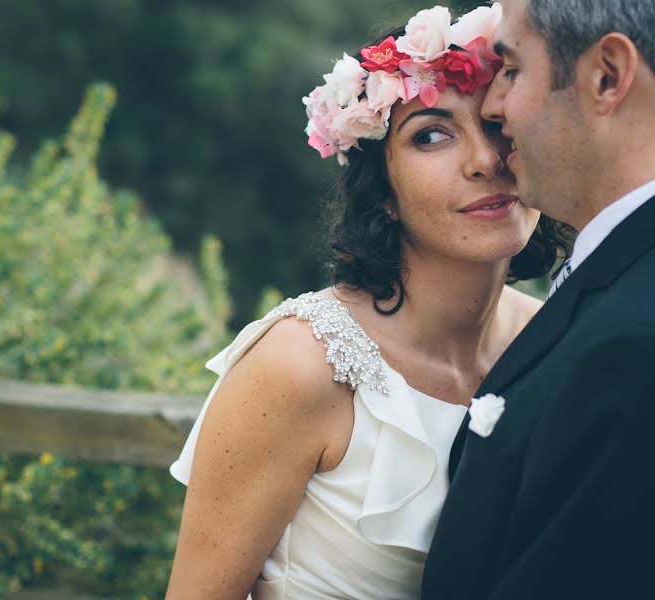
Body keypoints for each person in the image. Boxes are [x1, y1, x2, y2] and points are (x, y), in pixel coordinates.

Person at [165, 4, 571, 599]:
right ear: (384, 194)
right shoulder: (300, 367)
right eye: (431, 135)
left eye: (497, 125)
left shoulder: (555, 340)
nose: (485, 160)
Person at [421, 1, 655, 598]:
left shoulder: (645, 345)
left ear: (606, 77)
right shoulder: (621, 278)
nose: (492, 105)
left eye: (510, 70)